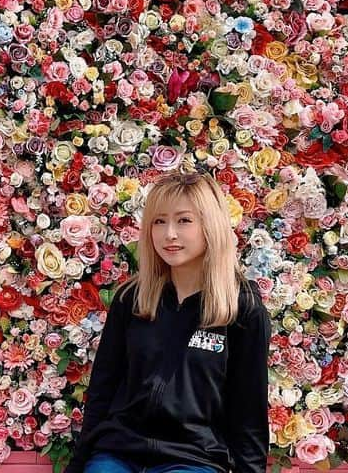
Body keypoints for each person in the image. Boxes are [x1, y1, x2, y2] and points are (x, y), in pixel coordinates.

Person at [64, 170, 272, 473]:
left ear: (209, 226)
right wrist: (79, 464)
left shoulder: (242, 309)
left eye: (184, 220)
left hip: (193, 458)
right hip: (119, 452)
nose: (169, 234)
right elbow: (102, 389)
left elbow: (248, 411)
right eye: (159, 221)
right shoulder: (132, 298)